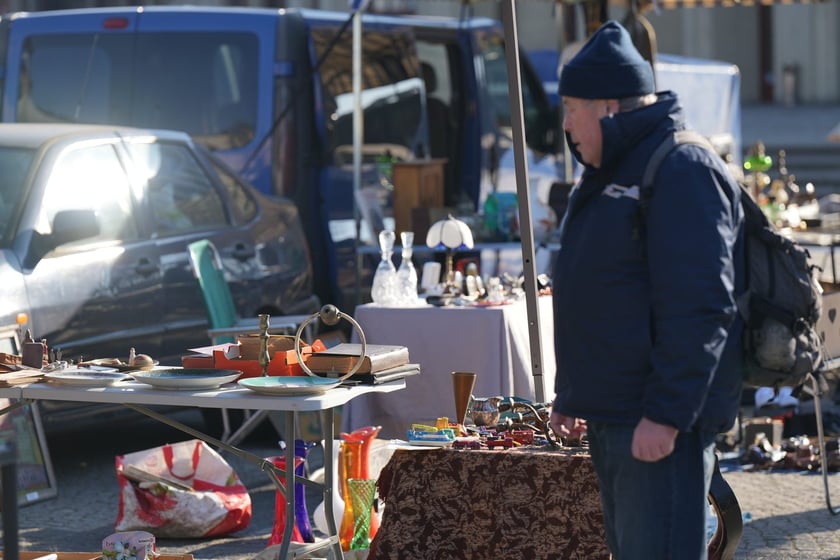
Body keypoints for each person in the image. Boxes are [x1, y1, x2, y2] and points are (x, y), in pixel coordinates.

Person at [548, 20, 745, 560]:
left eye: (570, 108)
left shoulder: (681, 167)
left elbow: (702, 306)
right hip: (614, 415)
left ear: (609, 107)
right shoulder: (610, 166)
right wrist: (572, 393)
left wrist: (666, 414)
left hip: (657, 425)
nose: (565, 124)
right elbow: (596, 290)